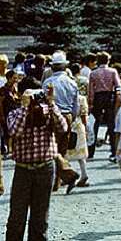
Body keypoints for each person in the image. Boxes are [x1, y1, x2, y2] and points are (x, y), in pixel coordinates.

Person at [4, 88, 69, 241]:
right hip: (23, 169)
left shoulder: (49, 111)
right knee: (16, 216)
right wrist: (25, 108)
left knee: (40, 216)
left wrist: (51, 104)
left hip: (45, 167)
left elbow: (63, 128)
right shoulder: (15, 113)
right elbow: (15, 132)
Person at [40, 51, 80, 193]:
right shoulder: (72, 82)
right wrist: (72, 118)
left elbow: (43, 103)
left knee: (51, 149)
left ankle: (60, 179)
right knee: (62, 150)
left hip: (52, 116)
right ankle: (59, 180)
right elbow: (76, 105)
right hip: (67, 116)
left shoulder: (47, 82)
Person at [67, 76, 90, 188]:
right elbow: (84, 115)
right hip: (79, 125)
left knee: (66, 151)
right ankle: (84, 173)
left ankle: (67, 174)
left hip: (68, 124)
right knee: (81, 153)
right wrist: (86, 128)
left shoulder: (65, 98)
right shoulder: (82, 99)